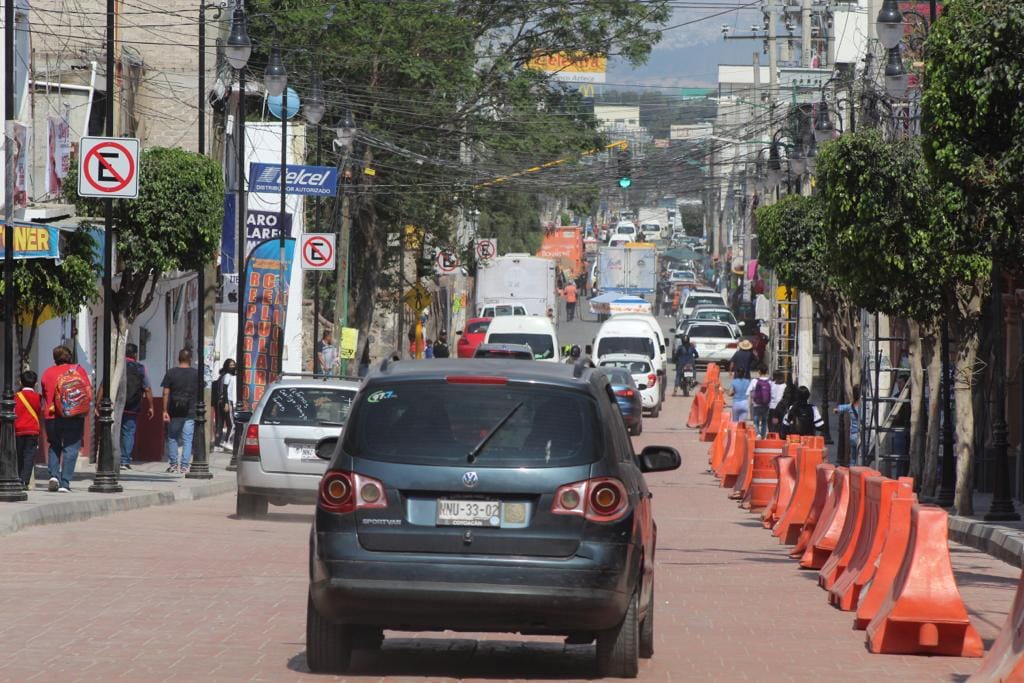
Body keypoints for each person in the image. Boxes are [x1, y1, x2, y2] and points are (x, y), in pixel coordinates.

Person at [41, 345, 91, 492]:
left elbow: (45, 394)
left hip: (52, 415)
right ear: (69, 357)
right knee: (71, 447)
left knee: (54, 445)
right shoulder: (78, 370)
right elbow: (87, 391)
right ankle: (65, 483)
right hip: (73, 414)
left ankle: (53, 476)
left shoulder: (47, 373)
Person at [161, 348, 201, 474]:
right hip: (190, 411)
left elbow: (165, 393)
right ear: (190, 359)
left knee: (172, 437)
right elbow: (201, 391)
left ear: (178, 358)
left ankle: (173, 465)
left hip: (175, 411)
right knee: (187, 439)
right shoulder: (196, 374)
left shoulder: (171, 373)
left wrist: (164, 410)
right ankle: (184, 466)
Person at [121, 342, 155, 469]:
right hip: (133, 406)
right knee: (128, 432)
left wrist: (98, 402)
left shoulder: (117, 365)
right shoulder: (140, 368)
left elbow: (103, 384)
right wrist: (151, 406)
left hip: (116, 405)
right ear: (135, 354)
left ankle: (111, 458)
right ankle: (125, 461)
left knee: (113, 430)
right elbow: (147, 388)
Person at [14, 370, 41, 490]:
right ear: (36, 384)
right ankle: (25, 481)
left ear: (20, 382)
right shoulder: (37, 397)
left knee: (18, 455)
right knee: (29, 455)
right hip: (32, 430)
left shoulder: (15, 397)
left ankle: (18, 478)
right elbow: (39, 411)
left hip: (18, 429)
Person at [211, 359, 236, 450]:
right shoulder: (228, 376)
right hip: (227, 401)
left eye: (233, 365)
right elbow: (225, 389)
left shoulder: (222, 376)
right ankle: (227, 442)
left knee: (220, 424)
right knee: (232, 424)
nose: (233, 367)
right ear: (227, 366)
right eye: (231, 365)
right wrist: (226, 403)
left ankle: (217, 445)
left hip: (219, 402)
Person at [834, 387, 861, 464]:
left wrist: (836, 410)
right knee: (860, 459)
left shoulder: (851, 406)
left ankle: (851, 473)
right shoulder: (865, 407)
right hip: (861, 436)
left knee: (852, 458)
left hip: (853, 436)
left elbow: (840, 408)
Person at [747, 365, 773, 438]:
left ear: (759, 371)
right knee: (764, 420)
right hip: (767, 404)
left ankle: (757, 433)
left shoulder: (754, 381)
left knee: (756, 420)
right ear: (766, 371)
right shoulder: (770, 381)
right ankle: (763, 435)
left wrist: (751, 399)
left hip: (756, 404)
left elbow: (748, 391)